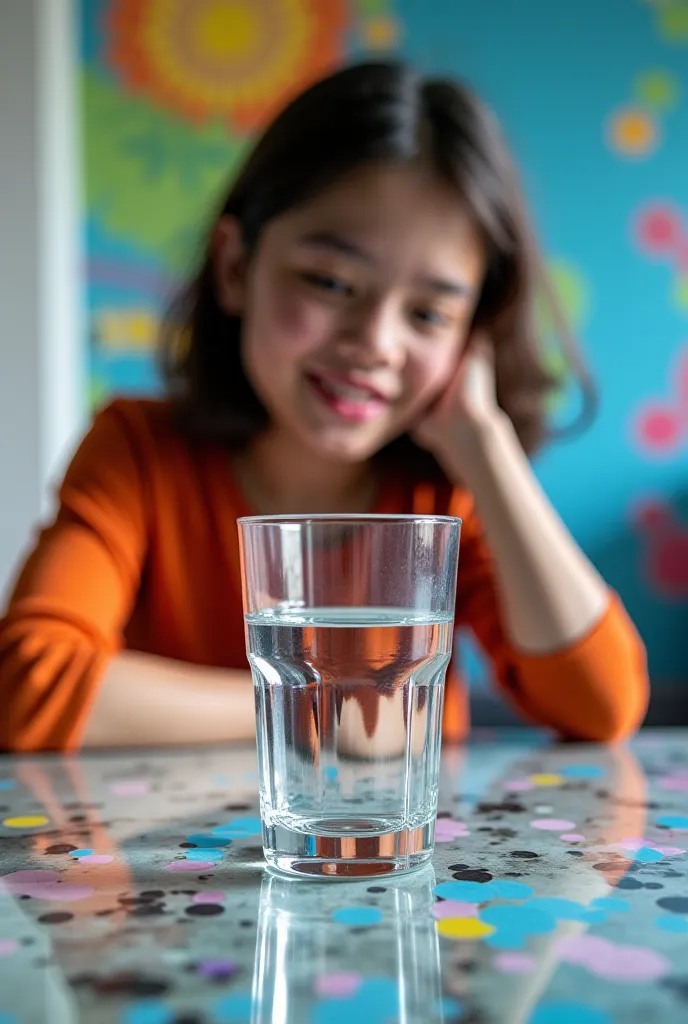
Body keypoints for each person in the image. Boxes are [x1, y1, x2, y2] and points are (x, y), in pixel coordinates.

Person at [0, 62, 648, 753]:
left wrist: (487, 448)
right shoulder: (137, 453)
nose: (374, 343)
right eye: (331, 282)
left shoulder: (444, 499)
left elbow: (603, 705)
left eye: (428, 313)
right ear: (235, 268)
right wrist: (333, 708)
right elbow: (27, 690)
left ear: (471, 339)